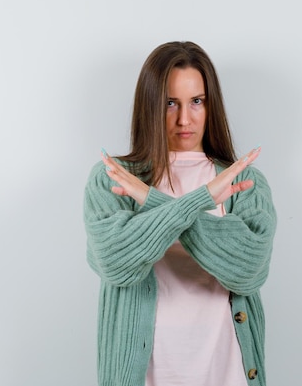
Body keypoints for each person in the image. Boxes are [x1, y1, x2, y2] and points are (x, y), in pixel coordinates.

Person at [83, 41, 277, 386]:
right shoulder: (113, 178)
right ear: (150, 106)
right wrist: (199, 200)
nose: (184, 119)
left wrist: (150, 201)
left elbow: (248, 269)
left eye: (196, 102)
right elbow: (115, 262)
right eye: (170, 103)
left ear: (211, 105)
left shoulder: (242, 179)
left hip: (227, 372)